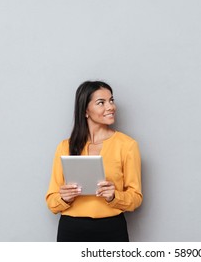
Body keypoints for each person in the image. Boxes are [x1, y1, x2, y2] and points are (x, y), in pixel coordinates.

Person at [46, 80, 142, 242]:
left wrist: (114, 196)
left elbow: (136, 198)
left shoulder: (127, 145)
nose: (110, 107)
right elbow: (51, 201)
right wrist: (64, 198)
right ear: (85, 111)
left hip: (112, 228)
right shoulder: (65, 147)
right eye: (101, 103)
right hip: (71, 229)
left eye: (111, 100)